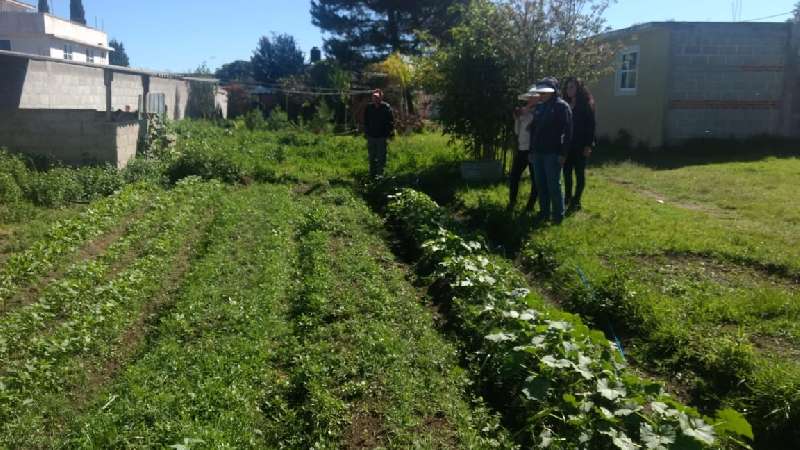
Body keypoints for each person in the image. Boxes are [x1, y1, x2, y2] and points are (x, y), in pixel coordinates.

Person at [527, 77, 573, 224]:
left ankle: (558, 216)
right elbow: (534, 131)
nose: (541, 94)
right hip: (538, 152)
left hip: (553, 153)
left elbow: (568, 132)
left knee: (553, 185)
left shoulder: (562, 107)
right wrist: (532, 150)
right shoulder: (540, 107)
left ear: (553, 90)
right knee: (540, 184)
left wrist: (563, 153)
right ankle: (544, 213)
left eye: (544, 90)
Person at [562, 77, 596, 212]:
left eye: (572, 87)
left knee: (580, 175)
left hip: (581, 146)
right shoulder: (565, 104)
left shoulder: (586, 104)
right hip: (567, 146)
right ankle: (567, 198)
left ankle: (576, 200)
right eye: (567, 87)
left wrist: (588, 145)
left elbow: (591, 126)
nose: (569, 90)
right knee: (566, 174)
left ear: (578, 88)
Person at [508, 88, 540, 212]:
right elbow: (517, 132)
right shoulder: (522, 113)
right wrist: (517, 119)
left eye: (533, 97)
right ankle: (512, 202)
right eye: (529, 97)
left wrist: (524, 112)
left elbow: (531, 127)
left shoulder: (539, 112)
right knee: (514, 176)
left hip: (533, 150)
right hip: (522, 150)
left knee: (535, 180)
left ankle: (530, 206)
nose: (530, 99)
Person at [363, 89, 395, 178]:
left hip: (382, 136)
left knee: (381, 157)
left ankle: (380, 175)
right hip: (371, 136)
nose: (375, 99)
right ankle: (372, 174)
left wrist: (390, 134)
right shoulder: (368, 107)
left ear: (381, 97)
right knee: (371, 157)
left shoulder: (386, 107)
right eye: (374, 97)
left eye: (377, 97)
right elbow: (365, 121)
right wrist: (366, 132)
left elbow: (391, 121)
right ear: (372, 98)